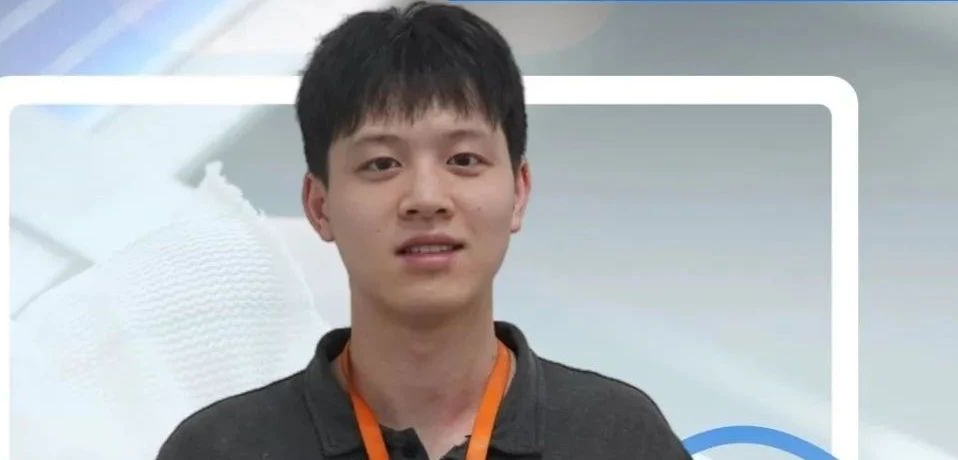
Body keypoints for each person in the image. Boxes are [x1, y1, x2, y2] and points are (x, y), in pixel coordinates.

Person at [157, 2, 692, 459]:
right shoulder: (221, 448)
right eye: (381, 164)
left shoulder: (619, 438)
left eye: (463, 159)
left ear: (518, 192)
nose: (426, 198)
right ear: (319, 206)